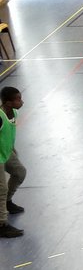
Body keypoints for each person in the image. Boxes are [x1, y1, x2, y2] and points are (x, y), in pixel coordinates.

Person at [0, 86, 25, 239]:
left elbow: (9, 132)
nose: (22, 101)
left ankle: (8, 202)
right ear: (8, 103)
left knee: (19, 172)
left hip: (6, 152)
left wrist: (12, 148)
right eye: (18, 99)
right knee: (1, 189)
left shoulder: (14, 112)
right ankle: (1, 224)